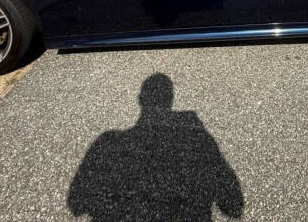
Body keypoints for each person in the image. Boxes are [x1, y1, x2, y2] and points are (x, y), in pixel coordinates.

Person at [67, 73, 243, 221]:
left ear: (140, 99)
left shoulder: (107, 141)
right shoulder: (198, 135)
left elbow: (76, 205)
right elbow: (233, 206)